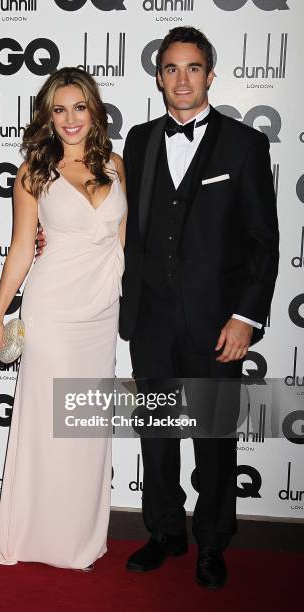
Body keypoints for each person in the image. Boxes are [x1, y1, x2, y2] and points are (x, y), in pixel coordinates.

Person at [0, 67, 127, 570]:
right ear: (47, 116)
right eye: (58, 109)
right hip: (54, 309)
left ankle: (77, 538)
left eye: (79, 107)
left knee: (85, 424)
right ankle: (37, 533)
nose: (69, 119)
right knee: (50, 425)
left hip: (101, 311)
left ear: (94, 112)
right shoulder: (34, 173)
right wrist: (0, 312)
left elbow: (122, 241)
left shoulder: (116, 165)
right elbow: (22, 246)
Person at [119, 26, 279, 589]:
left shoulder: (244, 145)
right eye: (170, 69)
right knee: (156, 438)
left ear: (211, 75)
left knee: (214, 441)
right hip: (152, 321)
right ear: (158, 75)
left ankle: (213, 542)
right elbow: (121, 227)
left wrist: (246, 317)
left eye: (193, 68)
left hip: (218, 325)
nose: (181, 79)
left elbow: (263, 240)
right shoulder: (137, 142)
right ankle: (165, 532)